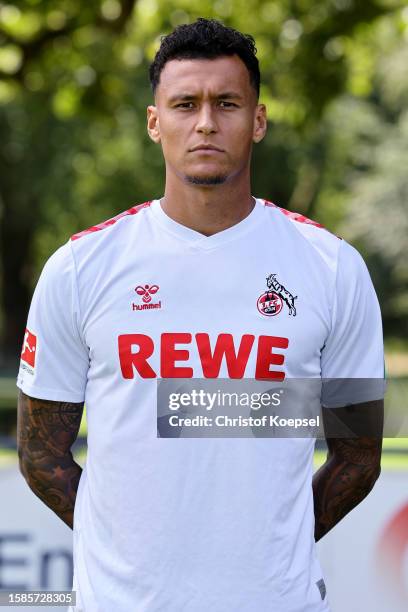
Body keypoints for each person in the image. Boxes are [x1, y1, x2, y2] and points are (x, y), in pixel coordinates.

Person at [16, 18, 385, 612]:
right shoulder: (82, 268)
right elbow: (39, 454)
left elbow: (358, 455)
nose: (207, 122)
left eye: (228, 103)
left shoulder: (331, 268)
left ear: (258, 120)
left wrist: (267, 553)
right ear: (154, 122)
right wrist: (125, 552)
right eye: (185, 104)